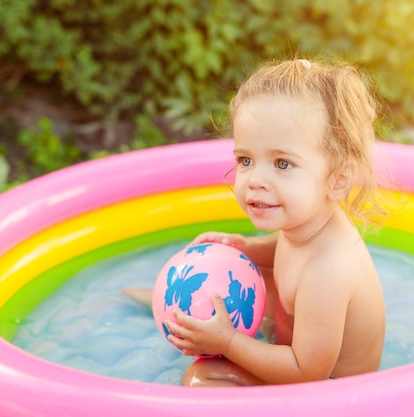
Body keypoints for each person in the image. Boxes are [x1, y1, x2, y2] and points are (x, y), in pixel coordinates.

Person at [124, 58, 386, 386]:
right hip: (295, 345)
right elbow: (290, 248)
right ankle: (188, 314)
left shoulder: (328, 271)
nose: (255, 179)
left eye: (283, 163)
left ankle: (204, 327)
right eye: (245, 160)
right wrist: (247, 248)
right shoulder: (309, 225)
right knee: (248, 272)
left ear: (338, 179)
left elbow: (307, 371)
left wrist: (228, 343)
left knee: (201, 379)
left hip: (329, 391)